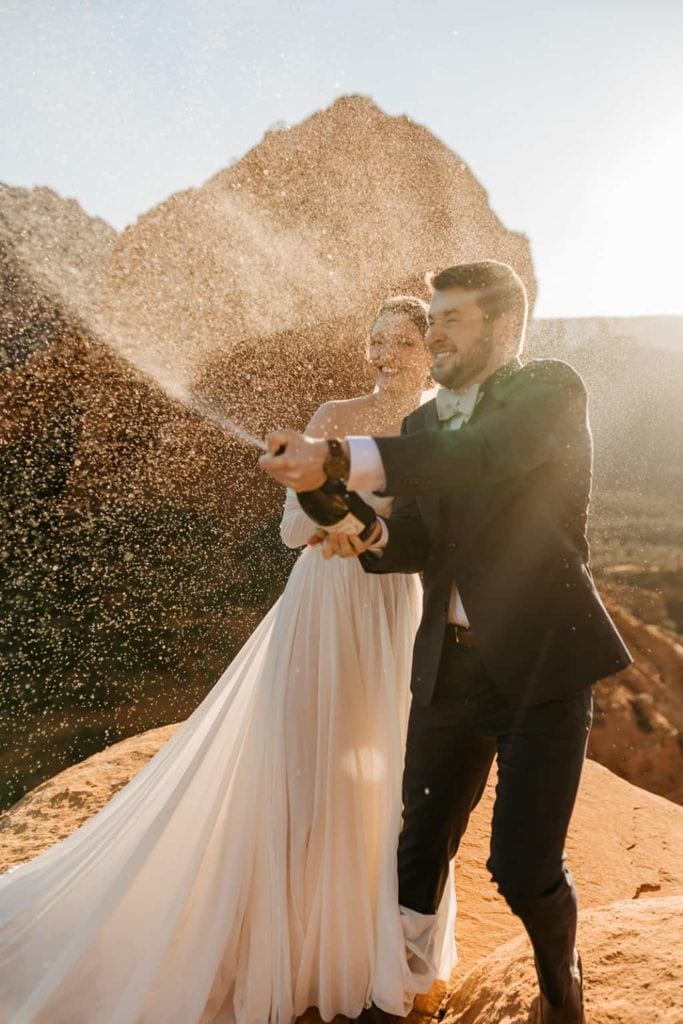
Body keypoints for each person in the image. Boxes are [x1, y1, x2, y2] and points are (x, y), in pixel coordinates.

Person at [0, 297, 456, 1024]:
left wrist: (382, 528)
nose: (385, 354)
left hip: (397, 605)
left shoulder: (442, 428)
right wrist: (334, 517)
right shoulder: (335, 414)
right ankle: (284, 936)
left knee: (384, 764)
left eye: (403, 341)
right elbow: (289, 527)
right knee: (304, 757)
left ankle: (355, 938)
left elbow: (442, 529)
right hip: (328, 600)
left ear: (431, 347)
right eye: (376, 340)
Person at [260, 260, 633, 1024]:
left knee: (521, 868)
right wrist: (351, 523)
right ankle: (399, 994)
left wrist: (336, 456)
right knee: (418, 841)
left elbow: (484, 455)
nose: (434, 336)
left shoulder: (548, 391)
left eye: (449, 321)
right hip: (446, 670)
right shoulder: (423, 428)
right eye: (430, 322)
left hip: (540, 671)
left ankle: (560, 987)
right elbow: (413, 539)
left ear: (504, 326)